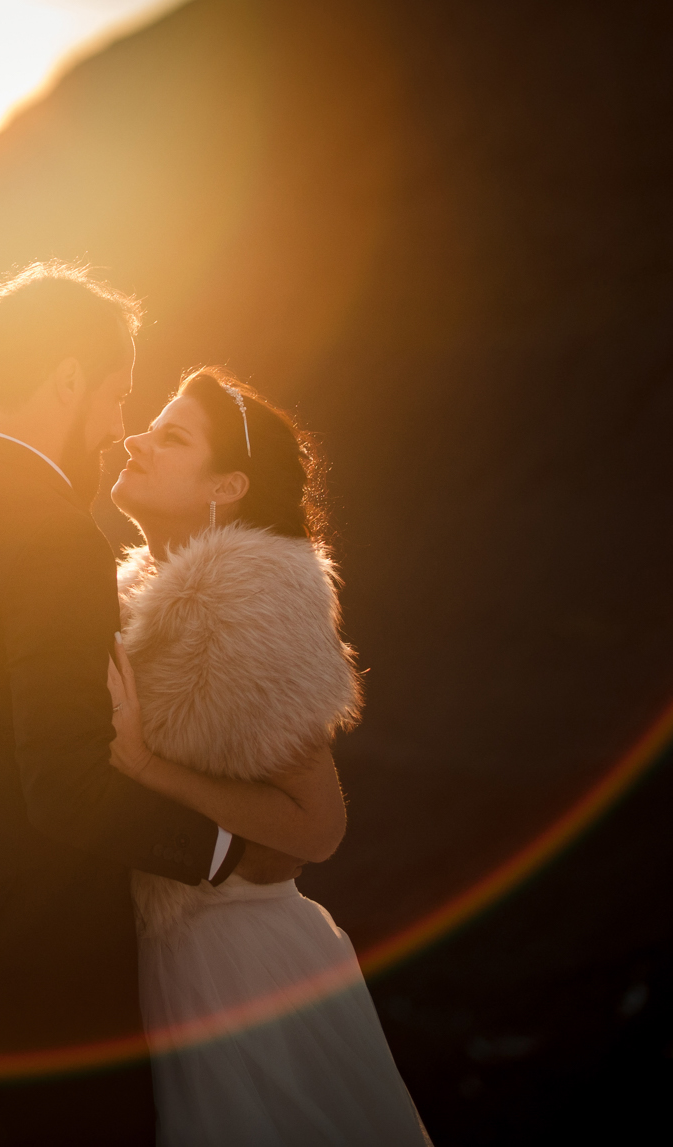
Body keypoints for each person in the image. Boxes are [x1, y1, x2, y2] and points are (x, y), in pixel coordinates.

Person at [0, 264, 301, 1145]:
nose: (119, 429)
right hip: (40, 976)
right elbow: (65, 788)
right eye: (117, 395)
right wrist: (226, 848)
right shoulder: (55, 536)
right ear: (69, 378)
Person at [106, 364, 429, 1144]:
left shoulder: (251, 605)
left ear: (228, 486)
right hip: (169, 958)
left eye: (171, 436)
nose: (134, 439)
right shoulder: (146, 592)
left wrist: (147, 765)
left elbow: (316, 826)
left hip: (235, 968)